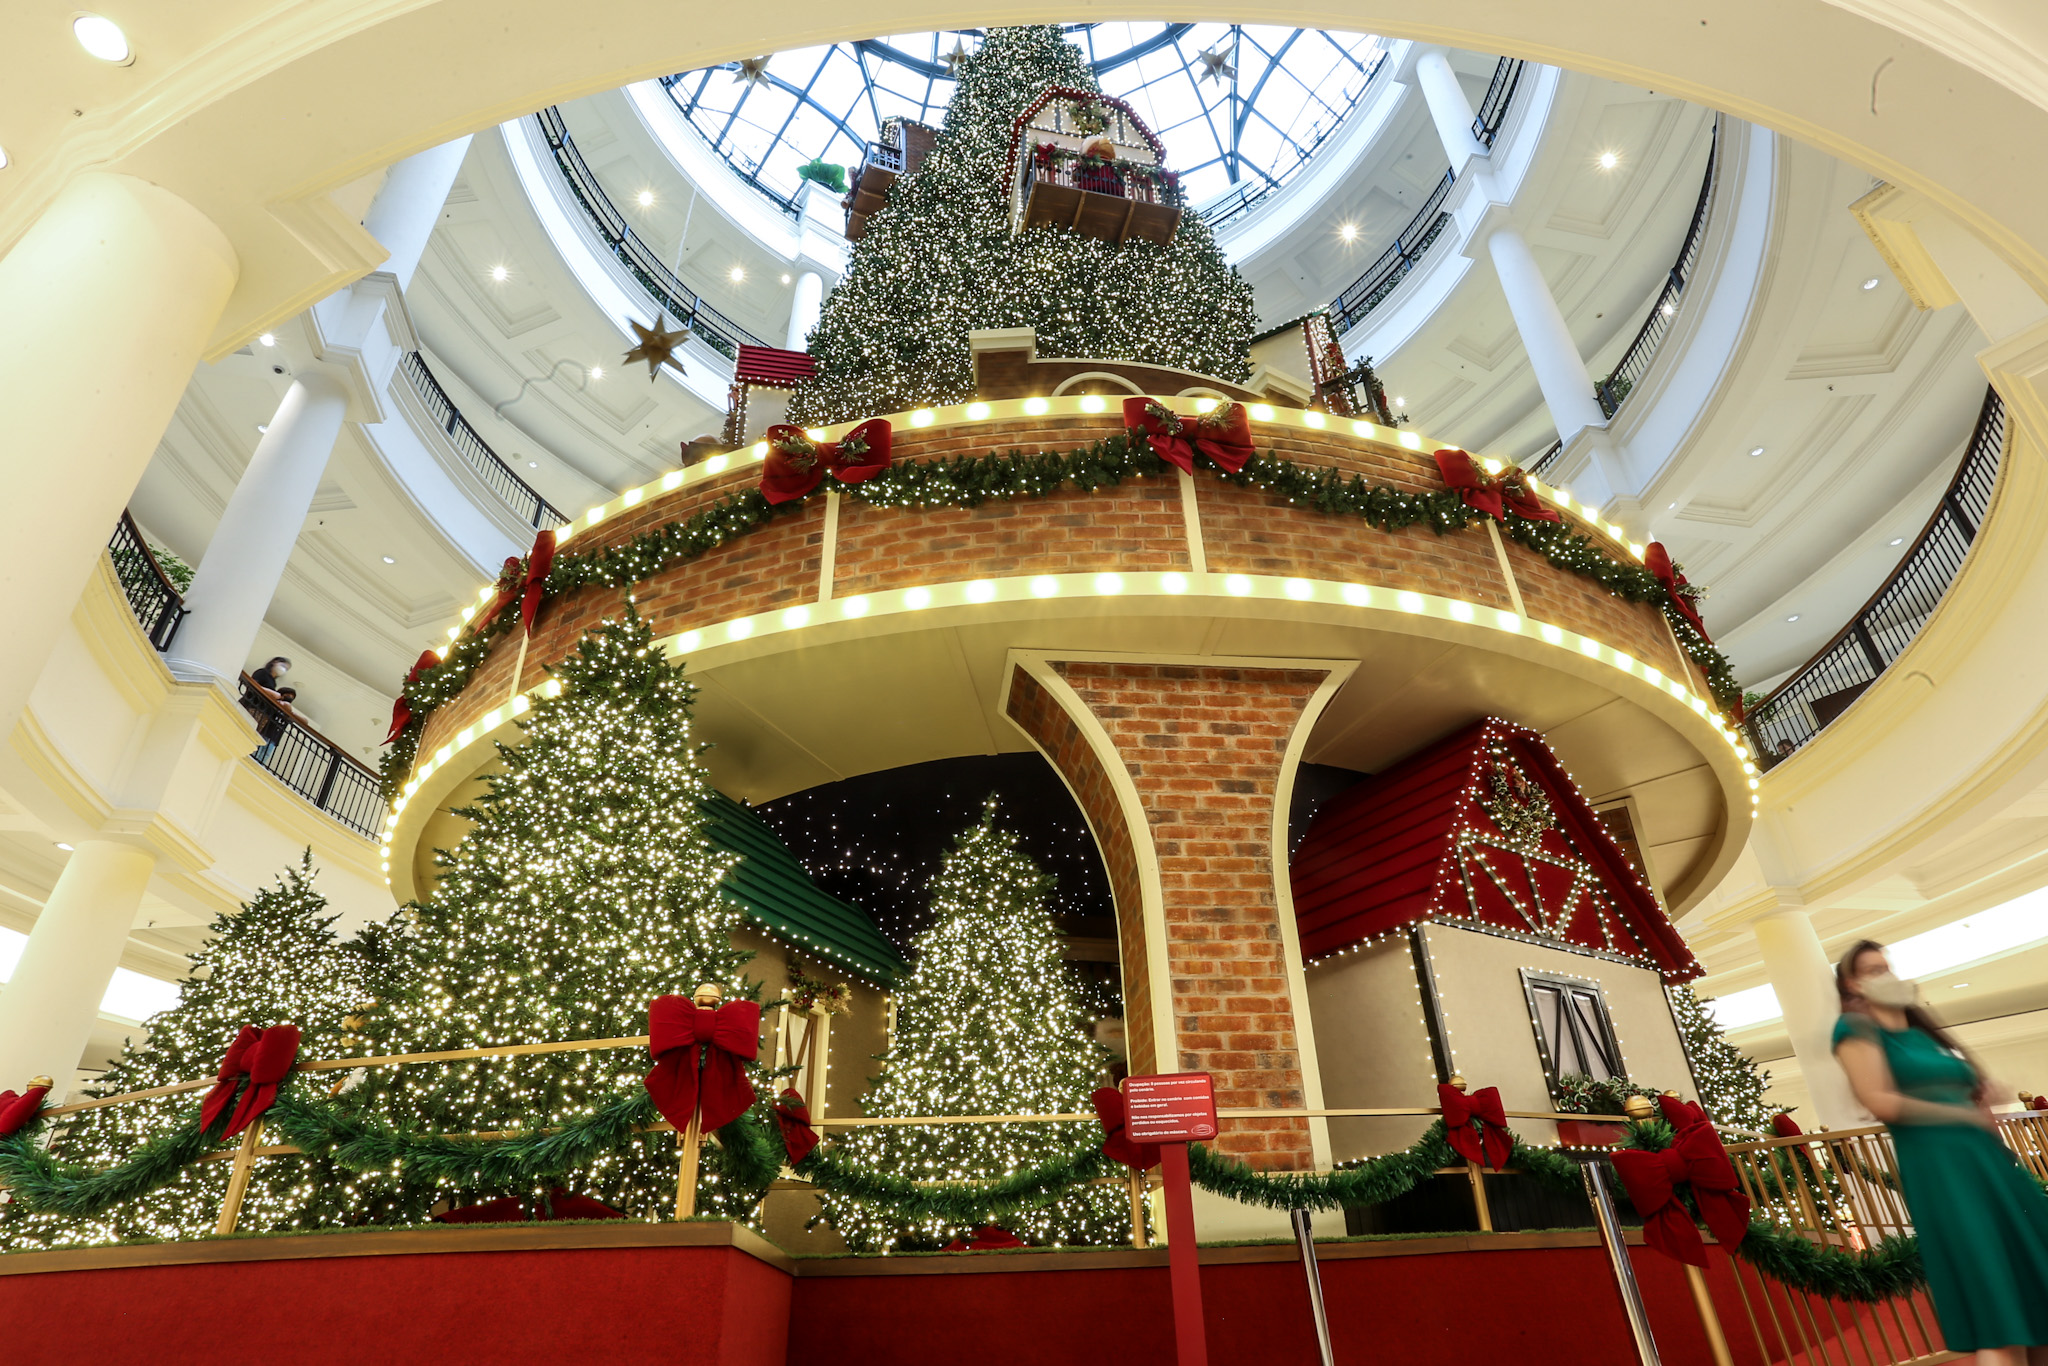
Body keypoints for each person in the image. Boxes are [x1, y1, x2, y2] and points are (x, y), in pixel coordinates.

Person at [1832, 940, 2048, 1363]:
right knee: (1991, 1286)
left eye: (1887, 967)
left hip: (1985, 1160)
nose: (1886, 976)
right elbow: (1878, 1100)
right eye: (1873, 970)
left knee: (2032, 1282)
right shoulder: (1854, 1029)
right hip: (1940, 1165)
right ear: (1852, 984)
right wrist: (1957, 1114)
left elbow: (1968, 1089)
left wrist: (1982, 1103)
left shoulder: (1921, 1033)